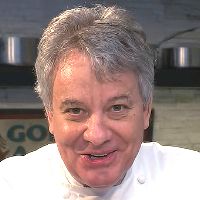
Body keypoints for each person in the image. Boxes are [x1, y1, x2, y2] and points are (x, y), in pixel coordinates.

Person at [0, 4, 200, 200]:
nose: (97, 136)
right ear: (50, 116)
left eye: (117, 108)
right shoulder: (10, 186)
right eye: (76, 110)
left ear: (146, 110)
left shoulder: (190, 178)